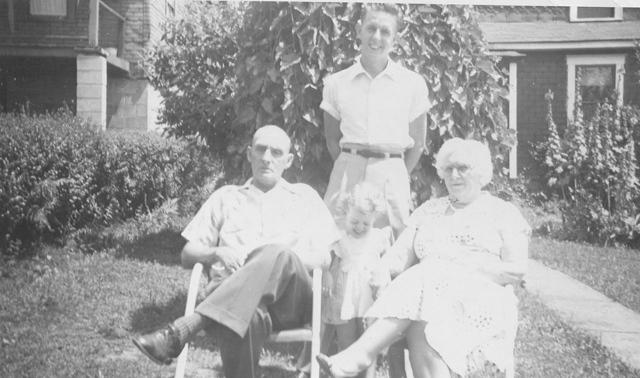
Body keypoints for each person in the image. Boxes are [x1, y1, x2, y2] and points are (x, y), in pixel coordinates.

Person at [132, 125, 340, 378]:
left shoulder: (305, 197)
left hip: (289, 302)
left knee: (278, 253)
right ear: (250, 153)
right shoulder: (225, 198)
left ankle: (188, 326)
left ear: (288, 161)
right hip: (234, 303)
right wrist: (215, 253)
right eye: (261, 149)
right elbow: (188, 253)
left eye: (276, 152)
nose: (267, 158)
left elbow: (324, 257)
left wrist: (269, 261)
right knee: (247, 315)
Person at [316, 138, 531, 378]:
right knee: (423, 320)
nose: (454, 175)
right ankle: (362, 354)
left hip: (480, 294)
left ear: (480, 172)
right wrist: (380, 271)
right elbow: (397, 256)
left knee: (430, 274)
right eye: (448, 169)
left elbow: (517, 269)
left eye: (462, 168)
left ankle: (362, 353)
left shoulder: (502, 212)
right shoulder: (429, 210)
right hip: (427, 296)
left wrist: (459, 270)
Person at [321, 3, 431, 235]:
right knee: (337, 240)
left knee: (389, 244)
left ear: (396, 38)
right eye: (371, 28)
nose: (376, 37)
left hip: (390, 173)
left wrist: (394, 171)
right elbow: (332, 139)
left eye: (385, 31)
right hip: (347, 172)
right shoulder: (336, 83)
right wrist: (352, 164)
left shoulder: (412, 84)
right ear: (359, 30)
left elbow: (418, 143)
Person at [322, 183, 392, 364]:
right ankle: (342, 369)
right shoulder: (340, 237)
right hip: (344, 295)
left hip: (369, 293)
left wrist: (382, 282)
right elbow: (325, 257)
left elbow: (386, 263)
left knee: (368, 341)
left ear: (374, 219)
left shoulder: (378, 238)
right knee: (346, 340)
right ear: (346, 213)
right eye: (354, 222)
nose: (360, 227)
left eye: (366, 223)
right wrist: (327, 274)